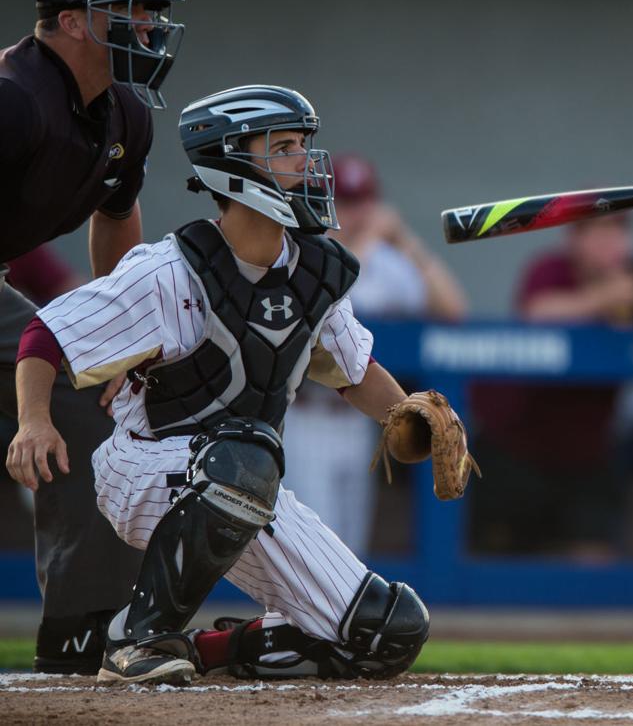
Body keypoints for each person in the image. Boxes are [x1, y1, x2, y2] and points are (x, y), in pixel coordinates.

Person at [4, 86, 464, 685]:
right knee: (244, 456)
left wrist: (406, 412)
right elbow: (47, 334)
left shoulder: (315, 270)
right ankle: (136, 638)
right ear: (231, 162)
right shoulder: (169, 269)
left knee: (388, 632)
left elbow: (354, 374)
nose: (305, 161)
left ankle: (214, 649)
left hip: (247, 478)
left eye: (304, 144)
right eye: (285, 147)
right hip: (142, 467)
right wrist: (34, 420)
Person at [0, 0, 184, 674]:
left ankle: (82, 633)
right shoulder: (14, 98)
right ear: (75, 22)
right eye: (132, 9)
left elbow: (116, 215)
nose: (149, 25)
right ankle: (88, 629)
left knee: (93, 413)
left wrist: (118, 331)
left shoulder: (124, 117)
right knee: (72, 401)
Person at [470, 213, 633, 559]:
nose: (611, 244)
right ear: (575, 239)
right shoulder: (551, 269)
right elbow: (537, 313)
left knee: (594, 560)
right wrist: (603, 298)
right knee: (496, 555)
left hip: (587, 456)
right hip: (516, 448)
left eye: (619, 233)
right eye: (600, 233)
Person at [281, 154, 468, 553]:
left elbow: (452, 309)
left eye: (365, 200)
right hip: (305, 418)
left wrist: (405, 241)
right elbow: (338, 289)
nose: (358, 212)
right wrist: (366, 241)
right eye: (346, 201)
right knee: (313, 549)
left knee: (350, 553)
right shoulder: (301, 251)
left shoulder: (387, 261)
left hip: (361, 419)